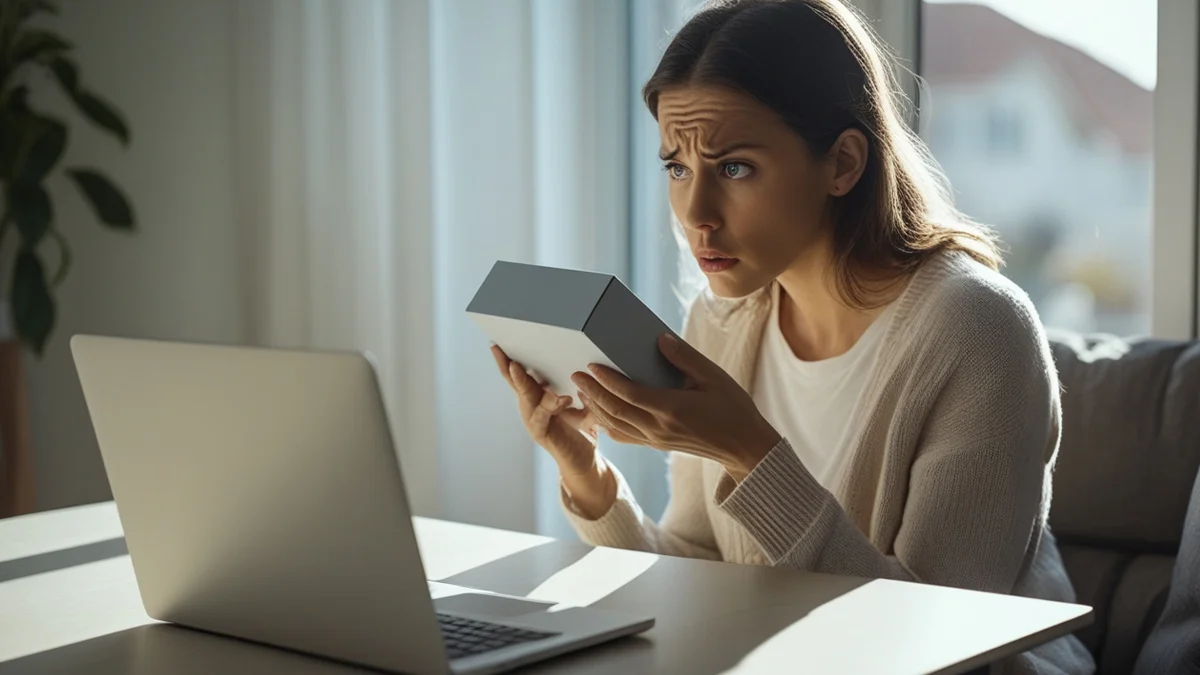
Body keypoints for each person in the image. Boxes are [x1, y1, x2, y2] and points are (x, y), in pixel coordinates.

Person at [491, 0, 1094, 672]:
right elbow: (702, 573)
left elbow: (938, 636)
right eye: (677, 167)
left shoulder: (977, 329)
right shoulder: (721, 322)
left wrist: (750, 452)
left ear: (842, 163)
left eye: (735, 168)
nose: (696, 215)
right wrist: (591, 478)